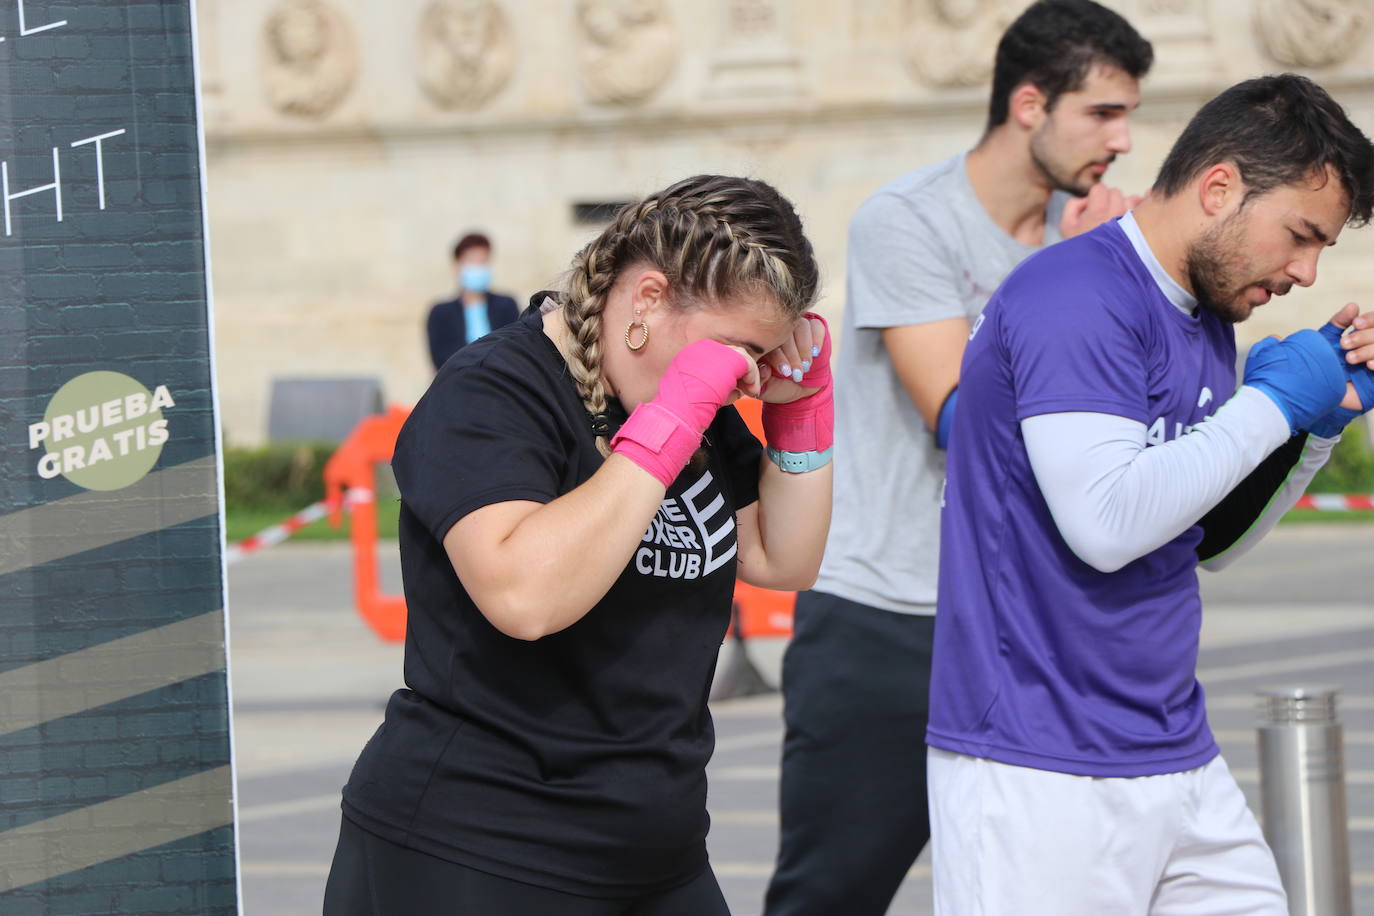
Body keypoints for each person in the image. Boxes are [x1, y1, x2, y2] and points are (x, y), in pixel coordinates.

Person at [324, 174, 834, 915]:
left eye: (760, 357)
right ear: (649, 300)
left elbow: (784, 559)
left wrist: (802, 417)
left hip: (656, 850)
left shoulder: (675, 400)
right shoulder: (493, 391)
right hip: (479, 845)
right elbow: (525, 596)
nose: (743, 380)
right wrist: (670, 423)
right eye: (735, 353)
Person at [927, 73, 1374, 914]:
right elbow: (1106, 523)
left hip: (1174, 749)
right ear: (1220, 189)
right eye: (1301, 236)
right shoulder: (1075, 295)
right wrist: (1271, 404)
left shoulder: (1204, 317)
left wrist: (1313, 428)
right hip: (1037, 763)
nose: (1307, 273)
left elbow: (1207, 543)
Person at [765, 3, 1152, 913]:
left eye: (1129, 113)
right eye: (1102, 112)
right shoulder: (907, 220)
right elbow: (961, 415)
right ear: (1029, 104)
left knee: (1052, 890)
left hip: (1038, 624)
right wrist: (1078, 273)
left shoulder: (1092, 237)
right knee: (831, 895)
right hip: (889, 614)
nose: (1125, 140)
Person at [426, 231, 520, 370]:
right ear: (457, 266)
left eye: (483, 262)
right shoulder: (441, 313)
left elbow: (516, 349)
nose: (478, 268)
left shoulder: (506, 305)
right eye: (472, 262)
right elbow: (441, 360)